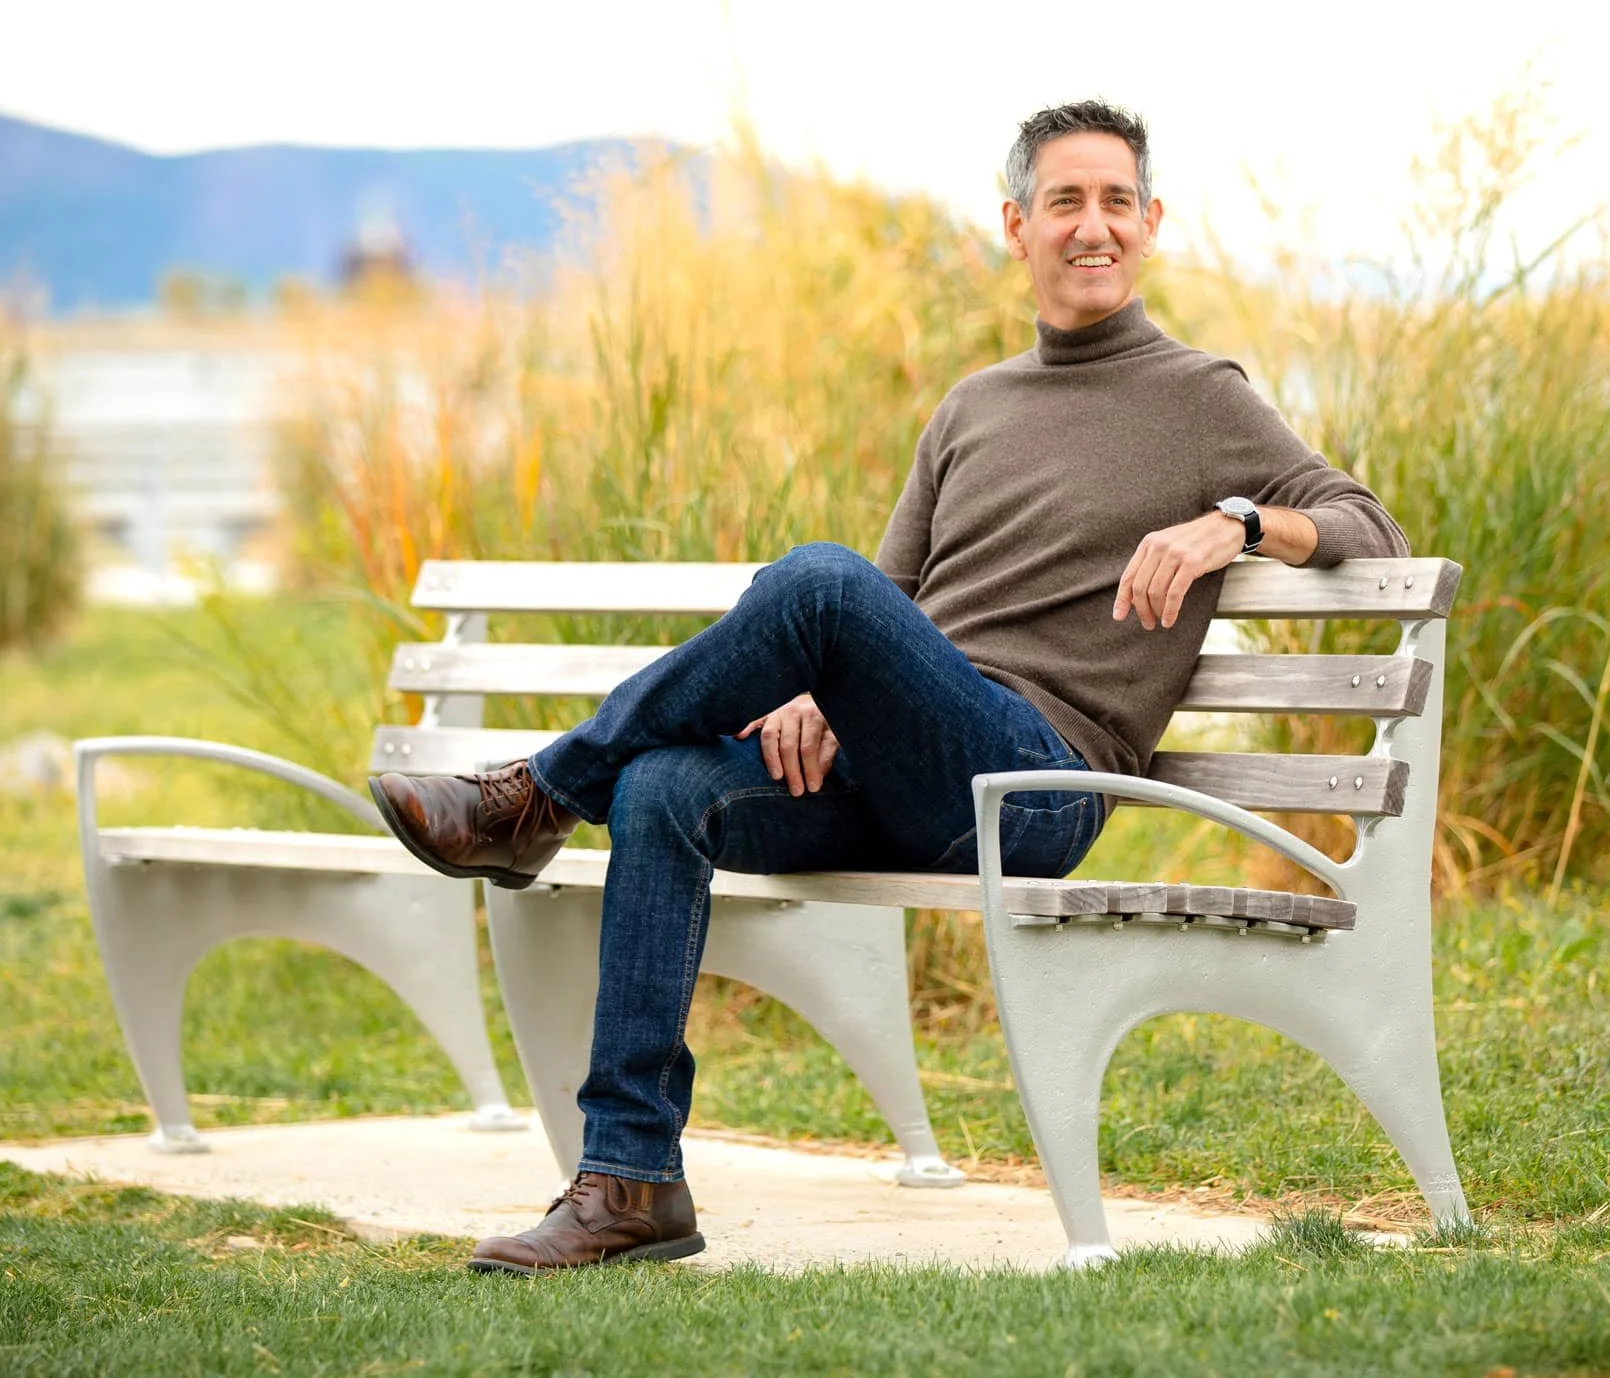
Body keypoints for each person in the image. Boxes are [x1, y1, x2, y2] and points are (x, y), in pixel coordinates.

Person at [369, 99, 1408, 1273]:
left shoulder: (1201, 396)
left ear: (1152, 222)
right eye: (1064, 200)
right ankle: (631, 1179)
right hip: (906, 766)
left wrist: (1239, 522)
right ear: (1016, 226)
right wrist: (823, 692)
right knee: (663, 785)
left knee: (812, 579)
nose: (1093, 225)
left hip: (1038, 784)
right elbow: (889, 604)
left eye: (1116, 200)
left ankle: (538, 797)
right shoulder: (972, 406)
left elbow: (1367, 523)